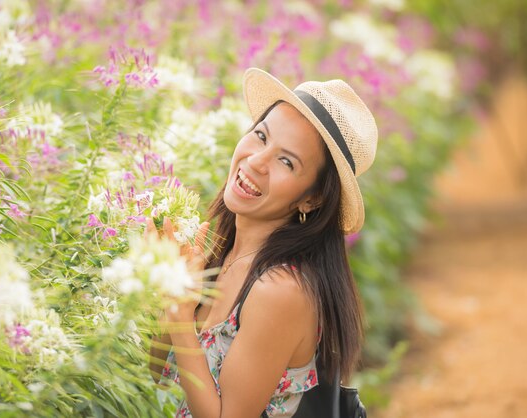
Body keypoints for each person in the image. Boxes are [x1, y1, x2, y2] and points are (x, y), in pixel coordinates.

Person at [149, 67, 378, 418]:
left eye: (286, 161)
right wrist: (170, 288)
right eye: (260, 136)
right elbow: (154, 379)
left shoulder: (280, 290)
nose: (256, 162)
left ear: (312, 199)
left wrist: (181, 317)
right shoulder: (218, 250)